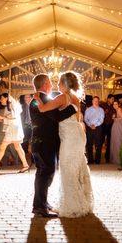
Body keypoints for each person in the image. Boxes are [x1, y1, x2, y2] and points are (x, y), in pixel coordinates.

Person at [34, 71, 94, 218]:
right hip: (78, 135)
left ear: (64, 84)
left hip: (69, 137)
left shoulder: (62, 97)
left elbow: (42, 109)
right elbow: (77, 118)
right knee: (78, 167)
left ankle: (73, 206)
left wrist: (37, 98)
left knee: (68, 169)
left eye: (59, 82)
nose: (57, 85)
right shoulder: (76, 98)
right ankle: (82, 202)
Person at [28, 73, 77, 218]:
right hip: (44, 144)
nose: (52, 85)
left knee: (44, 174)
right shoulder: (40, 99)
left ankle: (42, 203)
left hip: (42, 144)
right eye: (49, 82)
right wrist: (73, 107)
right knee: (45, 173)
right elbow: (57, 116)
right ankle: (39, 207)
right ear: (44, 84)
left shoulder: (40, 99)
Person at [0, 93, 29, 173]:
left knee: (3, 146)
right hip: (12, 129)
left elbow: (14, 117)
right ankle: (25, 165)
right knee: (17, 147)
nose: (0, 100)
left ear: (7, 98)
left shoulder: (11, 105)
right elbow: (8, 118)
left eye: (2, 98)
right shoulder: (8, 107)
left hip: (13, 130)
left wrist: (1, 117)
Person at [84, 96, 105, 165]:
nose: (96, 102)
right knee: (89, 144)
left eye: (97, 100)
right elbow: (85, 119)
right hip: (89, 128)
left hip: (98, 128)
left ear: (98, 101)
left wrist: (95, 125)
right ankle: (90, 160)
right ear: (92, 101)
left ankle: (97, 160)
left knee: (98, 144)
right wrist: (90, 125)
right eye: (94, 100)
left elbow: (101, 119)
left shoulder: (101, 110)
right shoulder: (88, 109)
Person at [109, 100, 122, 165]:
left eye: (116, 104)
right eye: (113, 104)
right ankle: (116, 158)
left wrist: (114, 118)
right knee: (115, 141)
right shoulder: (116, 110)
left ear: (118, 104)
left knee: (118, 141)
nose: (114, 105)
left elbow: (121, 118)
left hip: (119, 126)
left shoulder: (119, 109)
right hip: (116, 125)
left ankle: (119, 159)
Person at [100, 94, 116, 162]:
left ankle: (107, 158)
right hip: (103, 125)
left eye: (113, 99)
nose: (113, 100)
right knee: (101, 141)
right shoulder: (103, 105)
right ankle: (98, 157)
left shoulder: (113, 107)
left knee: (109, 142)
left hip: (110, 126)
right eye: (112, 99)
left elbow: (114, 116)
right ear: (108, 99)